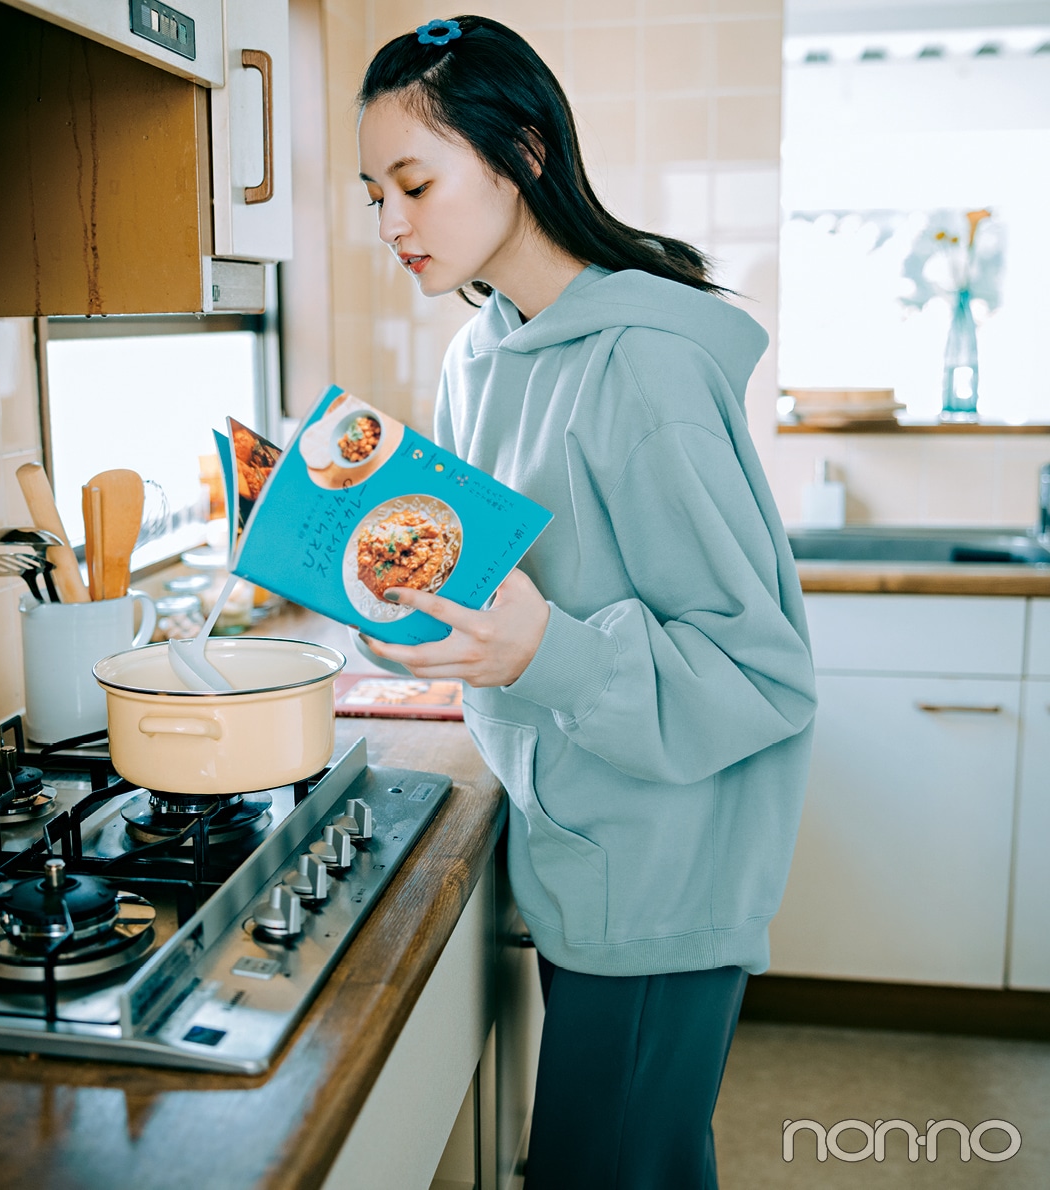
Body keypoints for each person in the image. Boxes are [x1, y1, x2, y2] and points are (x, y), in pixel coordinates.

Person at [354, 16, 816, 1189]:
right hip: (577, 833)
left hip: (664, 867)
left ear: (523, 156)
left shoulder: (644, 367)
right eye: (373, 194)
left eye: (415, 182)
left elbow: (761, 675)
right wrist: (415, 610)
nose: (391, 223)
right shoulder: (480, 351)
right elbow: (505, 592)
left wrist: (539, 649)